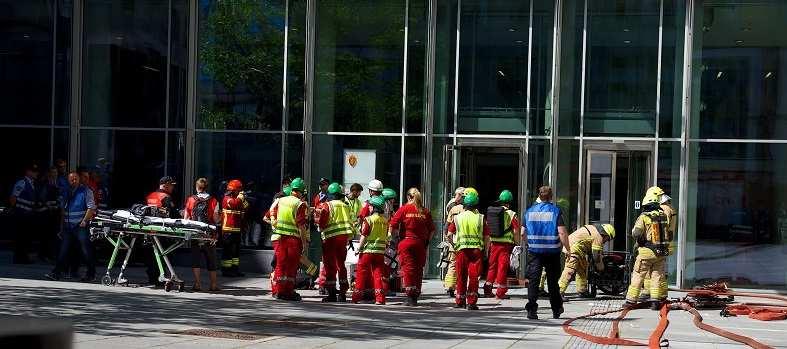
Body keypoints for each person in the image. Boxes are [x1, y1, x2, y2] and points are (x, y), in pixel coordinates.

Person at [523, 186, 569, 320]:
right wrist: (567, 248)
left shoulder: (529, 211)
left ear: (539, 196)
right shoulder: (555, 211)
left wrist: (530, 243)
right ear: (551, 197)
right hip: (552, 251)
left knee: (533, 281)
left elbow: (522, 233)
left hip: (535, 252)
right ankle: (556, 309)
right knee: (553, 282)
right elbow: (561, 232)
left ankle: (531, 309)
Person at [626, 186, 672, 310]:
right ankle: (655, 302)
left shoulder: (644, 216)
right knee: (657, 276)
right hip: (661, 252)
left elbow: (636, 233)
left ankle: (630, 301)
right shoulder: (663, 215)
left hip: (646, 252)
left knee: (638, 275)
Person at [45, 172, 96, 281]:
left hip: (80, 226)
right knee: (63, 250)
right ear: (68, 181)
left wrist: (84, 221)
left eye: (75, 179)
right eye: (71, 179)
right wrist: (61, 227)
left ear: (79, 179)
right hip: (68, 227)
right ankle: (56, 273)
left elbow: (91, 208)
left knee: (85, 250)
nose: (74, 181)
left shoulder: (86, 191)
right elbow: (63, 210)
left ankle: (91, 274)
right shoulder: (66, 192)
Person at [389, 188, 435, 306]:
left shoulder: (403, 209)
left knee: (408, 269)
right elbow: (432, 230)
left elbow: (393, 225)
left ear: (409, 197)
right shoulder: (425, 211)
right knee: (418, 269)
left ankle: (410, 297)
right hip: (420, 244)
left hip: (406, 242)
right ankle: (416, 295)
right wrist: (426, 243)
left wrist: (395, 239)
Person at [447, 193, 490, 310]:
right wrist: (486, 251)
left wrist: (454, 245)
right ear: (476, 206)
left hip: (461, 251)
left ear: (464, 205)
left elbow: (449, 234)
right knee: (474, 276)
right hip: (476, 251)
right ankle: (471, 302)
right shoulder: (480, 218)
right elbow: (487, 238)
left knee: (461, 275)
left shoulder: (457, 218)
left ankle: (460, 301)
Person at [315, 182, 356, 302]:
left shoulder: (327, 205)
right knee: (341, 265)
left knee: (330, 265)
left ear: (330, 194)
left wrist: (320, 229)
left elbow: (322, 222)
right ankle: (342, 293)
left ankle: (332, 293)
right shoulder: (345, 205)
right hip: (343, 238)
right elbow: (352, 220)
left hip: (330, 238)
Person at [270, 177, 309, 301]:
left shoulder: (281, 200)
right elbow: (301, 226)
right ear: (301, 191)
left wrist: (273, 224)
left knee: (280, 265)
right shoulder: (300, 204)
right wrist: (304, 243)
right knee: (291, 266)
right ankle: (289, 291)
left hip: (280, 238)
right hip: (293, 239)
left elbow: (271, 212)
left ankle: (278, 291)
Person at [557, 223, 616, 299]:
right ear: (606, 234)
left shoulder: (593, 228)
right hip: (573, 248)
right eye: (608, 239)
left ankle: (582, 291)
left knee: (582, 268)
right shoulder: (598, 237)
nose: (606, 241)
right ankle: (558, 293)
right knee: (570, 270)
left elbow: (587, 242)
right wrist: (601, 268)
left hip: (575, 247)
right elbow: (596, 257)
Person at [183, 178, 221, 292]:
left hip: (195, 233)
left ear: (196, 187)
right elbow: (215, 219)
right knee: (211, 260)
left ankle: (197, 284)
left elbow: (186, 218)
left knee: (196, 259)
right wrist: (220, 218)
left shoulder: (190, 200)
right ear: (206, 187)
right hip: (209, 234)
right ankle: (213, 285)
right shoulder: (214, 200)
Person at [483, 190, 521, 300]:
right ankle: (500, 292)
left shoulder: (492, 212)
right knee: (502, 267)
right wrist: (517, 243)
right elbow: (515, 231)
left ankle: (487, 289)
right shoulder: (511, 214)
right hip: (505, 245)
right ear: (509, 202)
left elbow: (487, 228)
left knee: (492, 266)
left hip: (493, 243)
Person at [352, 196, 390, 304]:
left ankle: (356, 297)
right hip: (380, 252)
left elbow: (364, 235)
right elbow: (386, 236)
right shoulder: (385, 221)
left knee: (361, 273)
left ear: (373, 207)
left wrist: (358, 248)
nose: (369, 208)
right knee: (378, 275)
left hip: (367, 251)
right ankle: (380, 299)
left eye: (370, 206)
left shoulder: (368, 220)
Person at [145, 176, 180, 285]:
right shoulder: (166, 197)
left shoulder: (150, 196)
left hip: (149, 229)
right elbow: (173, 215)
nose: (173, 188)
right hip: (162, 230)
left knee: (152, 254)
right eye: (171, 186)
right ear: (165, 185)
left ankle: (152, 277)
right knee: (164, 254)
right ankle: (161, 276)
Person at [9, 163, 40, 264]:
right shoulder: (22, 183)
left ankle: (23, 256)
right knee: (21, 237)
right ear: (28, 172)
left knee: (26, 237)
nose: (36, 173)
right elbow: (13, 198)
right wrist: (16, 211)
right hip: (21, 215)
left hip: (28, 215)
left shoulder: (32, 183)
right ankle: (19, 257)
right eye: (34, 171)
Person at [220, 179, 248, 277]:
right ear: (233, 190)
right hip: (227, 230)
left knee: (235, 252)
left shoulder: (238, 199)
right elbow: (235, 204)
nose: (239, 192)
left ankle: (235, 270)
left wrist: (243, 199)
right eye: (238, 190)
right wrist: (240, 198)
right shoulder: (227, 198)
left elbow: (246, 207)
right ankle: (226, 270)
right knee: (227, 251)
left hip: (237, 230)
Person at [442, 187, 465, 298]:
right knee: (465, 267)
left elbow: (447, 226)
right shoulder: (469, 210)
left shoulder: (452, 208)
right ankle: (465, 289)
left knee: (452, 265)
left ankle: (449, 287)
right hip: (465, 243)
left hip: (454, 241)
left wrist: (448, 240)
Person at [37, 166, 62, 263]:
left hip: (54, 214)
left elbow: (59, 198)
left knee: (52, 235)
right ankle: (43, 255)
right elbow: (42, 199)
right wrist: (49, 206)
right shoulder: (45, 184)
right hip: (46, 213)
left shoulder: (57, 184)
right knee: (45, 235)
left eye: (56, 172)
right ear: (48, 173)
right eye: (52, 172)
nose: (54, 174)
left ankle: (50, 254)